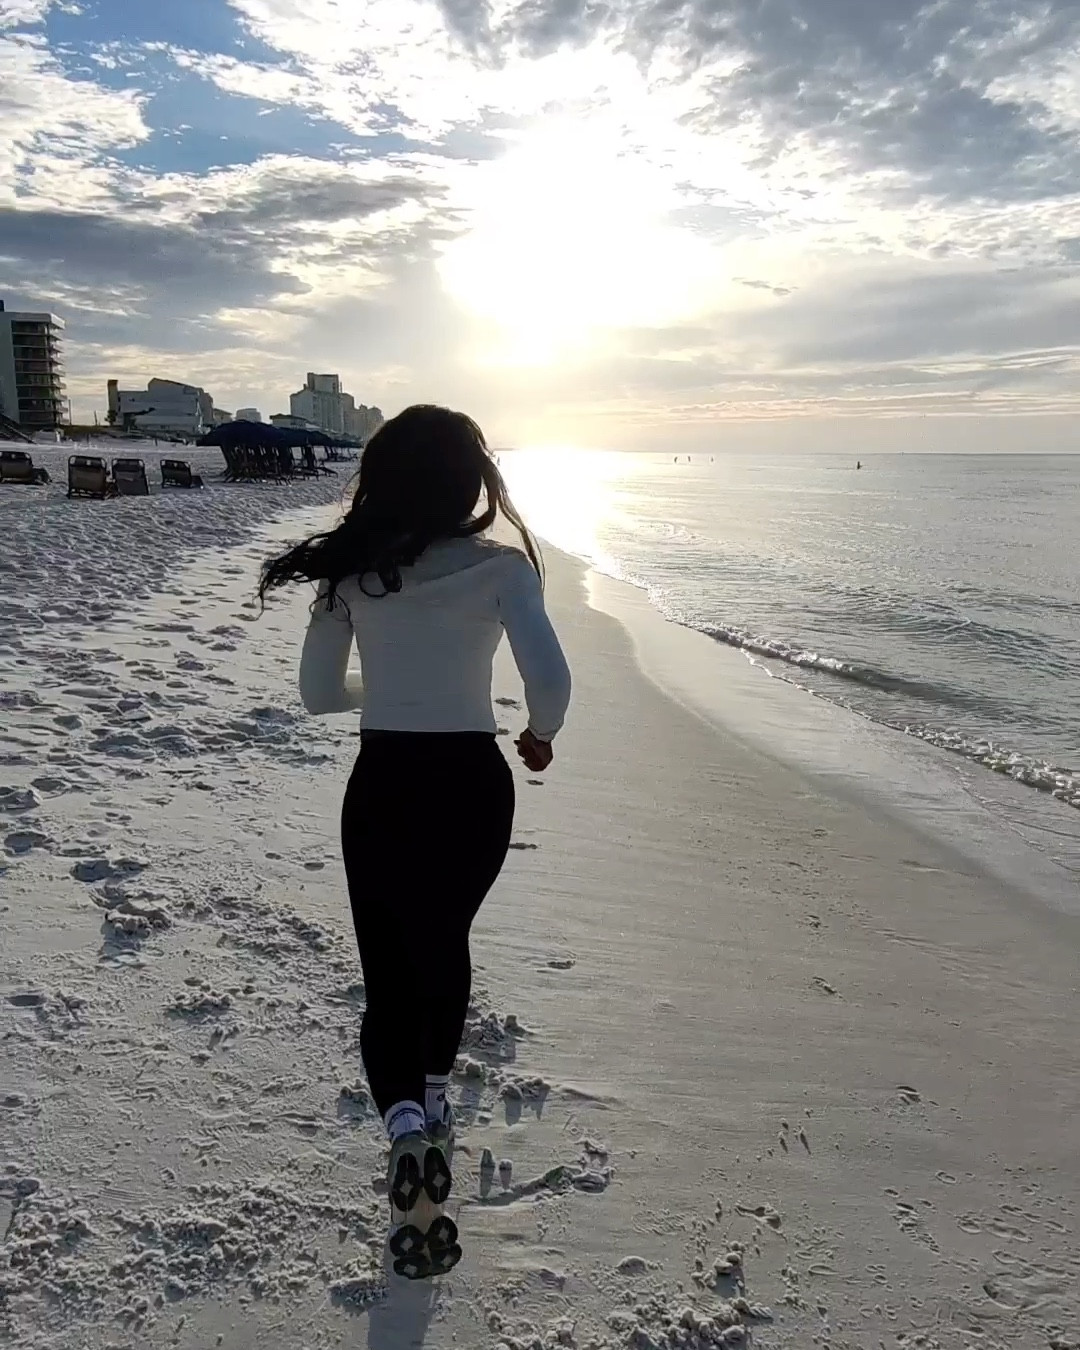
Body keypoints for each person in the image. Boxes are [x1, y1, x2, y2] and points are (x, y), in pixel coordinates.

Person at [259, 405, 571, 1277]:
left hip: (385, 784)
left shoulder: (350, 577)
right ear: (471, 483)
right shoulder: (503, 569)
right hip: (475, 786)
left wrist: (389, 690)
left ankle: (403, 1127)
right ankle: (434, 1098)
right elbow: (550, 679)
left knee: (388, 970)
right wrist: (541, 733)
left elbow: (319, 695)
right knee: (445, 943)